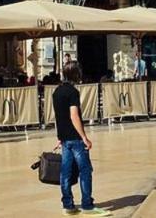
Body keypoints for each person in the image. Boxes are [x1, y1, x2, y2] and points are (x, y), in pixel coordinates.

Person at [52, 61, 107, 216]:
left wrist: (59, 136)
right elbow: (73, 115)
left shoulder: (56, 92)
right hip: (75, 138)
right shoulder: (73, 92)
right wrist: (84, 137)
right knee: (85, 170)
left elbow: (58, 117)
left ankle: (68, 204)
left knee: (66, 172)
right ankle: (87, 205)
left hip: (64, 138)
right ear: (76, 74)